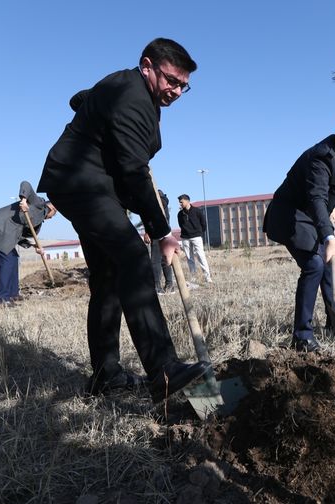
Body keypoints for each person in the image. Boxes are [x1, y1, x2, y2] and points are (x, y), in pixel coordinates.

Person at [37, 38, 209, 402]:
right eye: (171, 80)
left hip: (81, 185)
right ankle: (164, 371)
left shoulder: (124, 89)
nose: (176, 91)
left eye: (183, 86)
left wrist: (88, 105)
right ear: (147, 65)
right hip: (82, 185)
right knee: (132, 258)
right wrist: (161, 231)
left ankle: (105, 375)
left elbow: (83, 99)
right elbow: (133, 171)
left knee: (109, 277)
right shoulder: (132, 95)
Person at [263, 113, 335, 352]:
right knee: (314, 264)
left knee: (326, 265)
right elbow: (316, 197)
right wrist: (329, 237)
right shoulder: (320, 157)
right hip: (289, 214)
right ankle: (302, 336)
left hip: (313, 216)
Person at [0, 181, 57, 305]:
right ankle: (2, 299)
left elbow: (20, 235)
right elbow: (26, 184)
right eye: (53, 215)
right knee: (7, 261)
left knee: (13, 258)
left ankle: (13, 294)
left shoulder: (38, 222)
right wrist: (24, 200)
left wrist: (34, 246)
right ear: (52, 208)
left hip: (7, 234)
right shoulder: (38, 203)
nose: (51, 218)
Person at [143, 190, 175, 293]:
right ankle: (169, 286)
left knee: (156, 260)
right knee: (164, 260)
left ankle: (157, 286)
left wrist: (148, 231)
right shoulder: (163, 202)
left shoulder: (158, 201)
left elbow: (150, 218)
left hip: (157, 232)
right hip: (165, 232)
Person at [177, 194, 212, 283]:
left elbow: (204, 224)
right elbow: (181, 225)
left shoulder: (197, 211)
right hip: (185, 238)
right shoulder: (180, 214)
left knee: (201, 256)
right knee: (189, 258)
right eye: (179, 202)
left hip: (196, 237)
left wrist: (199, 233)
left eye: (181, 202)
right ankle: (194, 277)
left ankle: (207, 277)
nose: (180, 204)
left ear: (187, 201)